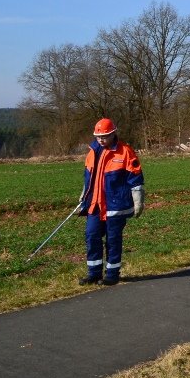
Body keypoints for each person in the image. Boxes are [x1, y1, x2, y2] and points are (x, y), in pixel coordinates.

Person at [79, 118, 145, 286]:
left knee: (113, 240)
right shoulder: (92, 151)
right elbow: (89, 178)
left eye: (105, 136)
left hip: (115, 206)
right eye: (98, 136)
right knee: (91, 236)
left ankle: (112, 274)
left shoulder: (125, 152)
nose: (101, 140)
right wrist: (83, 194)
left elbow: (135, 178)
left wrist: (138, 200)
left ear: (113, 133)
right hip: (95, 204)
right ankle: (93, 273)